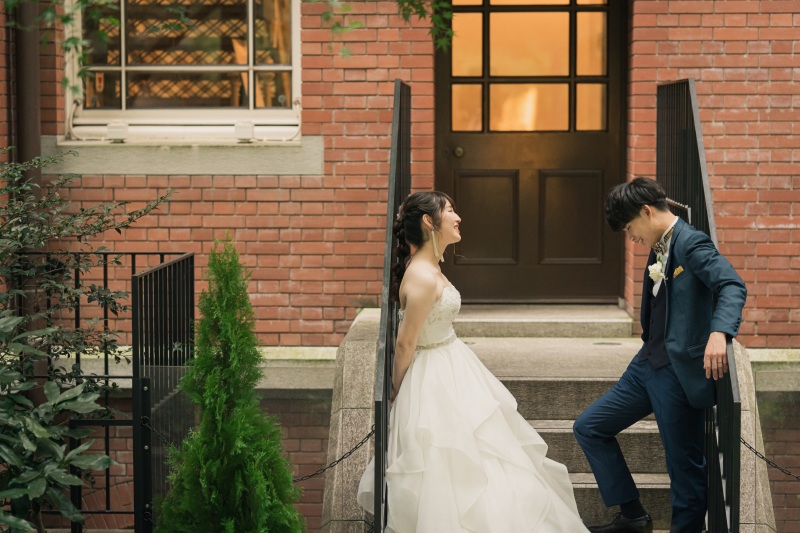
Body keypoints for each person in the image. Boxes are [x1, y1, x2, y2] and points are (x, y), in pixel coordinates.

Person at [357, 191, 589, 532]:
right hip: (433, 375)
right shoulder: (421, 275)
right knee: (447, 459)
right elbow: (406, 342)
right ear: (429, 221)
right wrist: (397, 391)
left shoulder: (430, 267)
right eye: (450, 210)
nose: (458, 217)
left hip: (454, 363)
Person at [573, 177, 747, 533]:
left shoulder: (691, 242)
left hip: (677, 374)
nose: (631, 237)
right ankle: (633, 516)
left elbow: (731, 284)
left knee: (684, 471)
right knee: (589, 427)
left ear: (646, 212)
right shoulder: (659, 245)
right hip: (646, 365)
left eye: (629, 228)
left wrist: (719, 332)